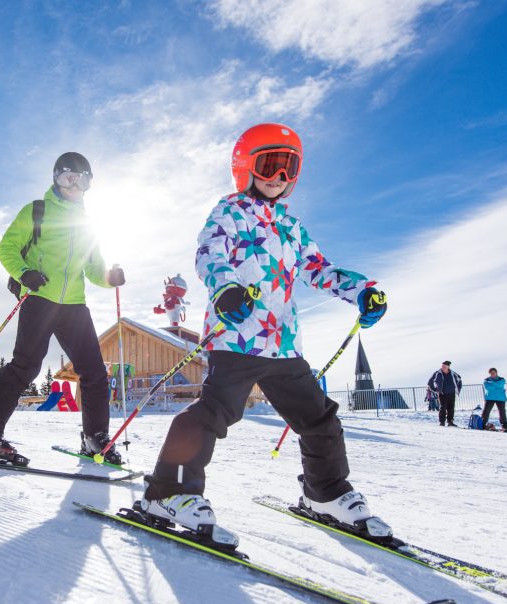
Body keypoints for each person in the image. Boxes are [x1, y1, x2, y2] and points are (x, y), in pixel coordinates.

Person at [140, 123, 391, 540]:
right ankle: (168, 492)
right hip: (237, 336)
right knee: (214, 413)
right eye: (271, 164)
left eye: (289, 168)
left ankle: (324, 493)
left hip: (283, 344)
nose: (280, 177)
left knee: (319, 418)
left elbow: (319, 269)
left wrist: (361, 290)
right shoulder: (230, 211)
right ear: (246, 167)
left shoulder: (292, 228)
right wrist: (225, 289)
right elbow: (209, 253)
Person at [0, 152, 126, 465]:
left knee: (94, 372)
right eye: (68, 177)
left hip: (74, 304)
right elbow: (6, 248)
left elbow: (94, 268)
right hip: (40, 297)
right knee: (25, 366)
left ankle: (94, 438)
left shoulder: (88, 223)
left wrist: (110, 277)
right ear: (56, 178)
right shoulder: (37, 211)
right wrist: (24, 273)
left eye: (82, 180)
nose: (74, 186)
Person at [428, 361, 462, 426]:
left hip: (451, 393)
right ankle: (442, 422)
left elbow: (459, 380)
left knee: (451, 408)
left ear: (448, 367)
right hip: (442, 394)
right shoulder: (437, 373)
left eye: (444, 366)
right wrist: (435, 389)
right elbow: (430, 382)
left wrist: (457, 389)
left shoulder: (453, 373)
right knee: (443, 408)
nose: (442, 367)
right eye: (442, 366)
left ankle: (450, 422)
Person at [482, 367, 507, 432]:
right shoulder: (486, 380)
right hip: (490, 398)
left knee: (502, 412)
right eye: (491, 373)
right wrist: (497, 386)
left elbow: (500, 385)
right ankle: (482, 424)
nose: (493, 374)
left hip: (500, 398)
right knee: (486, 411)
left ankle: (505, 427)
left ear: (496, 373)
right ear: (489, 374)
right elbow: (488, 387)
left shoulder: (501, 379)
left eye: (494, 372)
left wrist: (492, 384)